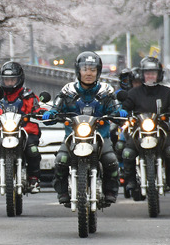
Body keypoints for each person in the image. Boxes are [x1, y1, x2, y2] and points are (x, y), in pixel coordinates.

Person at [43, 51, 124, 207]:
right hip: (73, 137)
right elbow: (55, 107)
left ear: (98, 71)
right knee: (61, 161)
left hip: (100, 136)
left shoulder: (106, 90)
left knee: (111, 161)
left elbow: (115, 108)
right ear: (78, 70)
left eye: (93, 70)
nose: (89, 73)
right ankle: (63, 192)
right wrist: (50, 113)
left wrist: (119, 113)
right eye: (85, 69)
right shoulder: (68, 90)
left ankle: (110, 191)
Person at [120, 56, 170, 194]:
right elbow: (125, 106)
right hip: (138, 130)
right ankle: (130, 180)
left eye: (153, 73)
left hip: (161, 130)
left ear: (159, 74)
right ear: (142, 75)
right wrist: (122, 112)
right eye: (147, 73)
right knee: (127, 153)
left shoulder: (166, 92)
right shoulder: (134, 92)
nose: (150, 76)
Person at [0, 61, 45, 194]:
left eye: (12, 80)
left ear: (19, 79)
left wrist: (40, 112)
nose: (9, 83)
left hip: (26, 130)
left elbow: (36, 108)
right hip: (2, 131)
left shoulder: (27, 95)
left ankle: (34, 179)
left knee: (32, 150)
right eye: (6, 80)